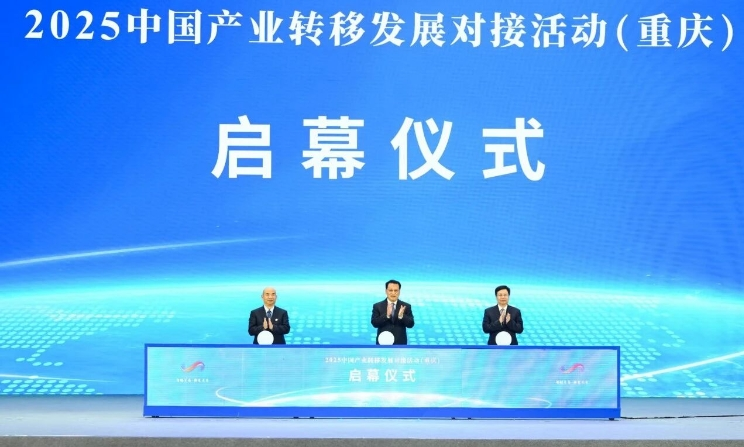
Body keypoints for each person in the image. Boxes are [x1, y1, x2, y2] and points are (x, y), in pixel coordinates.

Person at [371, 279, 414, 345]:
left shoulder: (406, 306)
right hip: (382, 344)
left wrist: (402, 316)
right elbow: (374, 323)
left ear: (399, 292)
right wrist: (386, 315)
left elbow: (411, 324)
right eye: (390, 290)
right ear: (386, 291)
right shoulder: (377, 306)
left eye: (396, 290)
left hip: (400, 344)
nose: (393, 293)